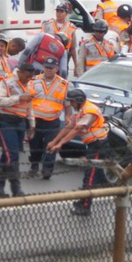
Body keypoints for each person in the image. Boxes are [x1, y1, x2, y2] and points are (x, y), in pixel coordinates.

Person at [46, 88, 110, 217]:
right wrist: (54, 141)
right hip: (93, 145)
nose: (71, 105)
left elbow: (76, 129)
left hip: (98, 146)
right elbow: (69, 126)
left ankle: (85, 206)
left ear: (79, 101)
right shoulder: (81, 110)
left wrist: (60, 144)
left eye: (72, 102)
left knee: (90, 177)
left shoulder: (89, 111)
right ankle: (104, 190)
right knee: (96, 175)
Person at [0, 62, 35, 198]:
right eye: (27, 76)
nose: (29, 79)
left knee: (7, 155)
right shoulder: (6, 82)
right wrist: (18, 98)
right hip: (6, 121)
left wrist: (32, 122)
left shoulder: (29, 84)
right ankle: (15, 187)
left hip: (20, 122)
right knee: (12, 155)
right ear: (21, 72)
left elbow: (29, 104)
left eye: (30, 77)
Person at [28, 57, 68, 180]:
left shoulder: (64, 84)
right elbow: (28, 98)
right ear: (43, 68)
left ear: (56, 68)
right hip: (36, 120)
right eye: (46, 67)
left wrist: (68, 115)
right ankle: (34, 164)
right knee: (35, 145)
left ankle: (47, 169)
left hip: (53, 120)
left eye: (51, 68)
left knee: (51, 145)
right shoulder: (34, 81)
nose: (49, 70)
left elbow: (67, 102)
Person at [42, 3, 79, 69]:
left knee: (63, 73)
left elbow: (72, 48)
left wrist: (76, 65)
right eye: (57, 11)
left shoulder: (71, 27)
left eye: (61, 11)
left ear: (66, 13)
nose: (59, 13)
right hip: (50, 53)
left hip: (63, 55)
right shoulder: (48, 24)